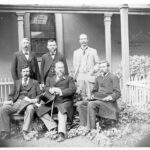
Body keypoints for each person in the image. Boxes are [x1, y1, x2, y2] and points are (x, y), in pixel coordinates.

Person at [77, 60, 121, 135]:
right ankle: (84, 127)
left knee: (91, 104)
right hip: (98, 99)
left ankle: (92, 130)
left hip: (109, 103)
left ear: (108, 67)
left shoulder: (113, 77)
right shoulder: (98, 78)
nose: (102, 68)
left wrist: (110, 97)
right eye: (100, 67)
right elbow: (94, 91)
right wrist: (92, 95)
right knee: (80, 104)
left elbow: (118, 93)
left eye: (104, 67)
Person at [36, 61, 76, 142]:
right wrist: (50, 89)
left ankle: (61, 133)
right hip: (52, 101)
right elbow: (45, 88)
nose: (60, 69)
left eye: (62, 67)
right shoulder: (49, 78)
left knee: (62, 110)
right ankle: (53, 127)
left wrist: (60, 91)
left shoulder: (69, 78)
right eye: (58, 68)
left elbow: (72, 89)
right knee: (39, 109)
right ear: (55, 69)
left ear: (64, 69)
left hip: (65, 101)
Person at [0, 65, 41, 141]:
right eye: (24, 71)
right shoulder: (17, 82)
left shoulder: (35, 82)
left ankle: (25, 132)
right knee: (2, 109)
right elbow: (11, 95)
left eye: (27, 71)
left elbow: (39, 95)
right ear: (21, 73)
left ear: (29, 72)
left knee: (30, 108)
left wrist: (36, 100)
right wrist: (10, 100)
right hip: (18, 103)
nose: (25, 73)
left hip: (29, 103)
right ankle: (6, 132)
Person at [73, 34, 100, 100]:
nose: (83, 41)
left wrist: (93, 71)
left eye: (85, 39)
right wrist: (76, 75)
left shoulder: (93, 51)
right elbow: (75, 65)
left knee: (90, 94)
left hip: (89, 74)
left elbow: (98, 63)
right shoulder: (76, 52)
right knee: (80, 94)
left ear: (87, 40)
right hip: (80, 75)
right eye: (81, 39)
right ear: (79, 41)